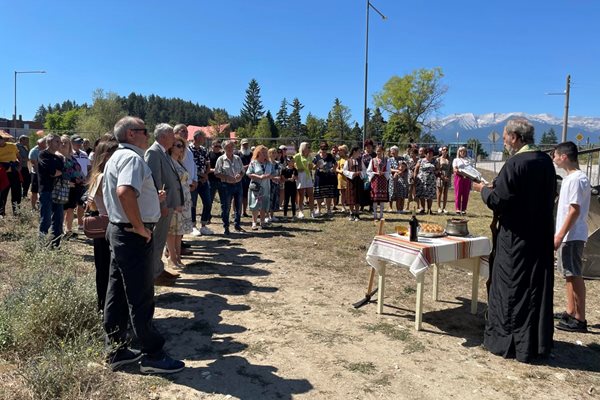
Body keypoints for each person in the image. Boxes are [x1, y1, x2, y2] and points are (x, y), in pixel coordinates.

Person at [102, 116, 184, 374]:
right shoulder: (132, 158)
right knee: (141, 296)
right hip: (132, 235)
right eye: (143, 130)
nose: (147, 134)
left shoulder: (117, 156)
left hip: (119, 231)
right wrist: (139, 226)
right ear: (130, 134)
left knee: (116, 293)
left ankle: (116, 349)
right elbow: (125, 191)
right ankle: (153, 354)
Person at [472, 118, 556, 363]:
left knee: (512, 287)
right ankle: (534, 343)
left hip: (516, 238)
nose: (505, 140)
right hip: (539, 235)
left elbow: (500, 200)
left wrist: (483, 191)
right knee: (535, 288)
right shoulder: (545, 162)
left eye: (506, 136)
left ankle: (508, 340)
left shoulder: (515, 163)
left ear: (516, 138)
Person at [553, 141, 591, 333]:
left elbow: (574, 210)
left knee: (574, 274)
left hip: (572, 235)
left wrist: (560, 235)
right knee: (568, 274)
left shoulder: (576, 179)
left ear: (564, 157)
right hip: (568, 235)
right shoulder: (570, 178)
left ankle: (580, 318)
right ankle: (570, 310)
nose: (554, 158)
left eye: (555, 155)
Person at [145, 123, 184, 286]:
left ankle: (158, 269)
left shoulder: (163, 152)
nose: (174, 138)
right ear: (162, 137)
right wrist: (162, 206)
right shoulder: (154, 153)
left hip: (167, 203)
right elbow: (155, 181)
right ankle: (154, 274)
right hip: (162, 205)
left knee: (160, 239)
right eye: (171, 135)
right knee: (158, 239)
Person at [86, 137, 118, 311]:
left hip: (101, 228)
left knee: (103, 270)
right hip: (110, 227)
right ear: (107, 157)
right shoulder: (106, 176)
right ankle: (108, 309)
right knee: (109, 272)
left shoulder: (97, 175)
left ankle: (103, 307)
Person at [165, 136, 194, 268]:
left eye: (183, 146)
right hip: (175, 199)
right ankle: (172, 257)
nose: (181, 149)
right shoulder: (168, 162)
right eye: (178, 146)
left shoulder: (179, 162)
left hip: (184, 199)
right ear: (171, 147)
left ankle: (178, 256)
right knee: (172, 230)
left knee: (179, 230)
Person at [37, 134, 64, 247]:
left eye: (60, 142)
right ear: (49, 143)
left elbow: (61, 171)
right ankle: (41, 245)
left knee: (58, 220)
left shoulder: (59, 158)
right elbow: (52, 172)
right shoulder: (43, 155)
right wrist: (56, 172)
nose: (60, 144)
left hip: (58, 191)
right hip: (46, 190)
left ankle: (55, 245)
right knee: (46, 219)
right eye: (57, 141)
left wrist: (56, 172)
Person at [214, 140, 245, 234]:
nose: (230, 149)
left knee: (239, 205)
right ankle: (226, 226)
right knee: (226, 206)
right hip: (226, 186)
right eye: (227, 147)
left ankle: (237, 225)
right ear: (224, 148)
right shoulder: (220, 159)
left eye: (231, 147)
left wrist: (240, 175)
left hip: (238, 184)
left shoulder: (238, 158)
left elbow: (242, 170)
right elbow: (217, 173)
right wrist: (227, 177)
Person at [58, 135, 84, 239]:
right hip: (64, 186)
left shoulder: (72, 157)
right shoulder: (58, 157)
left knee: (71, 209)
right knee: (62, 210)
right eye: (62, 142)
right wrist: (67, 183)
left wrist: (82, 178)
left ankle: (68, 230)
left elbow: (78, 170)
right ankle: (58, 230)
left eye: (66, 142)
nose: (64, 144)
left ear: (70, 144)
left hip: (75, 187)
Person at [189, 129, 214, 236]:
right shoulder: (188, 150)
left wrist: (206, 175)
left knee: (208, 202)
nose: (204, 139)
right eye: (202, 137)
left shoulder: (204, 150)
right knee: (193, 204)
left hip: (204, 181)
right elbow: (189, 166)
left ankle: (203, 225)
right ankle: (193, 226)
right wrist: (199, 176)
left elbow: (208, 163)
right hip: (193, 181)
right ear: (196, 138)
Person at [247, 145, 272, 230]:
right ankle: (254, 222)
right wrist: (259, 177)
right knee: (255, 205)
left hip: (266, 187)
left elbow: (274, 173)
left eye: (266, 153)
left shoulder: (269, 163)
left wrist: (269, 176)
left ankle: (262, 222)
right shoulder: (253, 162)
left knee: (264, 205)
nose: (265, 154)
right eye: (263, 153)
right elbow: (249, 173)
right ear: (258, 153)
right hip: (256, 187)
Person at [71, 135, 91, 230]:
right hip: (73, 182)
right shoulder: (69, 154)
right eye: (77, 142)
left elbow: (88, 167)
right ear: (72, 143)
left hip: (83, 183)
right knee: (69, 206)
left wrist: (87, 179)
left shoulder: (84, 154)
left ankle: (80, 224)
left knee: (81, 203)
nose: (79, 144)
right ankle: (67, 227)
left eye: (80, 142)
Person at [312, 141, 337, 217]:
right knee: (319, 194)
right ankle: (318, 209)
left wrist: (333, 169)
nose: (324, 150)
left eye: (325, 148)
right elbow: (313, 167)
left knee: (328, 194)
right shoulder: (316, 157)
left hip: (328, 177)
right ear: (320, 148)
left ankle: (328, 209)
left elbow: (335, 164)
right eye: (323, 148)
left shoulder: (330, 156)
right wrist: (317, 165)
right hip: (319, 177)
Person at [0, 130, 22, 216]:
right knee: (2, 194)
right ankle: (1, 213)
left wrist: (19, 167)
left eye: (1, 139)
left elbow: (19, 157)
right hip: (2, 173)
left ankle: (17, 212)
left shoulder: (12, 146)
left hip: (14, 171)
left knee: (16, 193)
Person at [367, 144, 391, 221]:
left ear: (383, 151)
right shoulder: (373, 160)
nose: (378, 152)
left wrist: (383, 173)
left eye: (380, 151)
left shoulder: (386, 160)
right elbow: (369, 170)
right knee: (375, 198)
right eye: (377, 151)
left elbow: (388, 170)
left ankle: (381, 215)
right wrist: (375, 173)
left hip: (383, 180)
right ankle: (375, 215)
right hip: (375, 180)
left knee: (382, 199)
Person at [293, 142, 314, 219]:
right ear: (303, 148)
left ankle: (312, 211)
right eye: (307, 147)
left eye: (309, 147)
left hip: (308, 176)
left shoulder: (309, 156)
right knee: (301, 194)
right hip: (300, 176)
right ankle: (300, 211)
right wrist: (297, 169)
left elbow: (310, 167)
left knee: (310, 194)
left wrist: (311, 166)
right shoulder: (298, 156)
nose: (309, 148)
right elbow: (291, 163)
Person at [343, 146, 364, 221]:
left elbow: (364, 170)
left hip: (359, 181)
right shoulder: (348, 161)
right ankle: (351, 213)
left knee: (357, 197)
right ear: (354, 152)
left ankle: (357, 214)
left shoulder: (360, 161)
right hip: (351, 181)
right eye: (359, 151)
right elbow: (344, 171)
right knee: (351, 197)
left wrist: (360, 173)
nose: (360, 153)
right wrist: (352, 174)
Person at [414, 148, 437, 215]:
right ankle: (422, 209)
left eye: (431, 153)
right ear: (425, 154)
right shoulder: (421, 160)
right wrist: (415, 177)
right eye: (429, 153)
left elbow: (437, 169)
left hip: (431, 181)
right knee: (422, 195)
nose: (430, 155)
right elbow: (416, 169)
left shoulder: (435, 161)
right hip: (421, 180)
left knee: (430, 196)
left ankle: (429, 209)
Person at [452, 146, 472, 215]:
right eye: (461, 151)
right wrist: (461, 172)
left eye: (464, 151)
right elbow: (455, 169)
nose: (462, 152)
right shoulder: (456, 160)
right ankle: (457, 208)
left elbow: (471, 169)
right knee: (458, 193)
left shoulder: (469, 160)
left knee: (465, 194)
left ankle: (463, 209)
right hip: (459, 177)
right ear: (459, 152)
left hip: (467, 178)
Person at [236, 139, 253, 218]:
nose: (245, 146)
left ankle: (244, 211)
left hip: (248, 178)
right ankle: (235, 211)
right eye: (244, 144)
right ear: (241, 145)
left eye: (246, 144)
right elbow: (235, 166)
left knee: (245, 195)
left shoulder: (251, 154)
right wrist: (245, 167)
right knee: (236, 195)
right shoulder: (237, 154)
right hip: (239, 177)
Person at [28, 137, 46, 209]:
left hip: (45, 174)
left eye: (45, 144)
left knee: (44, 191)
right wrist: (40, 176)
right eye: (43, 144)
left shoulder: (47, 149)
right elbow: (35, 165)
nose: (45, 146)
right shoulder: (34, 151)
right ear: (38, 144)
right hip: (36, 173)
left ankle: (42, 205)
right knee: (35, 191)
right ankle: (33, 207)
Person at [207, 140, 224, 219]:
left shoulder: (222, 156)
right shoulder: (208, 155)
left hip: (221, 181)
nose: (218, 148)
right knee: (209, 200)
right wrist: (215, 170)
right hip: (211, 180)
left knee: (223, 200)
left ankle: (224, 215)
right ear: (212, 146)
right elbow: (207, 169)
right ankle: (207, 216)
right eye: (216, 146)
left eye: (219, 146)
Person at [267, 147, 282, 223]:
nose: (273, 154)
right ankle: (267, 216)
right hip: (269, 183)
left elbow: (280, 173)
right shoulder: (267, 163)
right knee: (268, 199)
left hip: (276, 183)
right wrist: (273, 178)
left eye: (275, 153)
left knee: (275, 199)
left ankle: (272, 215)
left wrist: (279, 178)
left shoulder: (278, 163)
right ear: (269, 154)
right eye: (272, 153)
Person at [435, 146, 451, 214]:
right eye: (443, 150)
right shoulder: (438, 159)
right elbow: (437, 169)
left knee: (445, 193)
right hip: (440, 177)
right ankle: (439, 207)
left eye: (446, 150)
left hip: (447, 177)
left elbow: (451, 169)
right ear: (441, 151)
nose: (445, 151)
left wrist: (448, 177)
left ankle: (444, 208)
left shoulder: (449, 159)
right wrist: (442, 176)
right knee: (439, 193)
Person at [388, 146, 402, 212]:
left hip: (400, 178)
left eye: (393, 151)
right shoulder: (389, 159)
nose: (392, 152)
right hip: (392, 178)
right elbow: (389, 169)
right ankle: (390, 207)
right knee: (391, 192)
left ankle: (398, 207)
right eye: (391, 151)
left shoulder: (401, 159)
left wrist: (399, 171)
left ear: (397, 151)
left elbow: (404, 166)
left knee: (399, 192)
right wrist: (396, 171)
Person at [16, 135, 31, 200]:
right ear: (22, 139)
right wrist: (23, 159)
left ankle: (24, 195)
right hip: (19, 167)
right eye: (27, 140)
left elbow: (29, 156)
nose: (28, 141)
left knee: (27, 180)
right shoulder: (16, 146)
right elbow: (17, 156)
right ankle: (20, 195)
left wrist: (28, 147)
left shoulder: (24, 147)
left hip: (24, 166)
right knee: (19, 181)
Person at [336, 145, 348, 213]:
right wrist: (341, 171)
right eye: (339, 150)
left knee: (348, 192)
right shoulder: (339, 159)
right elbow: (337, 169)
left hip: (347, 178)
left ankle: (349, 204)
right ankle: (343, 207)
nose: (339, 152)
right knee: (342, 193)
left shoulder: (348, 158)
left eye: (340, 150)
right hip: (341, 178)